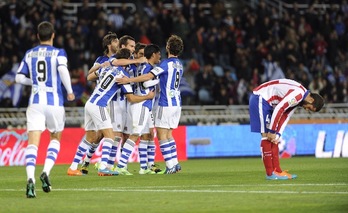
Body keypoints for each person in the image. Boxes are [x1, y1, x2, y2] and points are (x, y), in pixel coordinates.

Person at [67, 48, 154, 176]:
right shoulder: (122, 77)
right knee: (110, 136)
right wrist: (147, 97)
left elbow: (90, 74)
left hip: (89, 103)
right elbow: (131, 98)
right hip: (99, 105)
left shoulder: (105, 68)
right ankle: (103, 167)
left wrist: (100, 65)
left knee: (90, 138)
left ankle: (73, 167)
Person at [15, 21, 75, 198]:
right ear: (53, 35)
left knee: (33, 142)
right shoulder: (58, 53)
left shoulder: (29, 54)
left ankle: (30, 178)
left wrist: (32, 81)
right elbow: (63, 70)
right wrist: (70, 92)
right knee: (55, 137)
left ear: (37, 36)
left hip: (35, 102)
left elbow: (18, 78)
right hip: (54, 102)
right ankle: (46, 172)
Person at [116, 35, 184, 174]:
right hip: (176, 102)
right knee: (166, 134)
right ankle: (174, 163)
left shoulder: (165, 64)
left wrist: (129, 80)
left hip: (165, 103)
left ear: (168, 48)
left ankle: (170, 165)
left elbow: (148, 78)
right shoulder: (179, 64)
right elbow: (148, 80)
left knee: (161, 135)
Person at [249, 79, 325, 180]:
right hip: (260, 98)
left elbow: (285, 115)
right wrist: (272, 131)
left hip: (268, 103)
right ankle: (270, 174)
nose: (306, 109)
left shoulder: (299, 99)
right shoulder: (298, 95)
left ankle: (277, 171)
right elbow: (280, 108)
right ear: (311, 100)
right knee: (266, 136)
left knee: (274, 138)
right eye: (309, 108)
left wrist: (278, 134)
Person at [114, 44, 161, 175]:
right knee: (135, 134)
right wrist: (157, 82)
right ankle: (121, 166)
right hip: (141, 103)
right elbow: (145, 82)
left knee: (145, 134)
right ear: (153, 55)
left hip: (143, 104)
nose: (160, 57)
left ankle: (144, 167)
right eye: (158, 54)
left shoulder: (143, 66)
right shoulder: (148, 68)